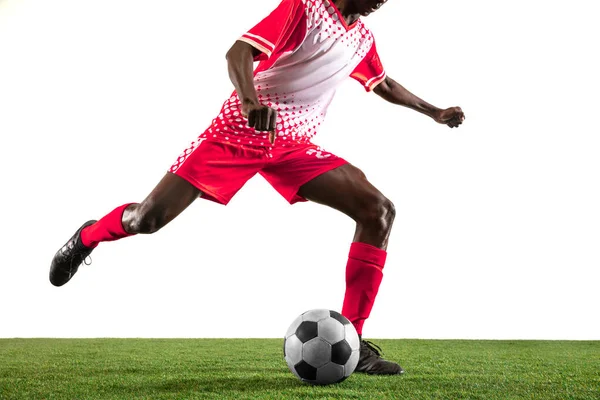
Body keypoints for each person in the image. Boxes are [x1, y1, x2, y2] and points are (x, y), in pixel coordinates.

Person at [50, 0, 464, 375]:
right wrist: (250, 102)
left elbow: (384, 84)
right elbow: (239, 52)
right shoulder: (304, 8)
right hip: (240, 132)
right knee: (147, 219)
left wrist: (434, 112)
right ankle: (88, 236)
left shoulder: (361, 37)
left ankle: (353, 344)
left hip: (294, 146)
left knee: (379, 211)